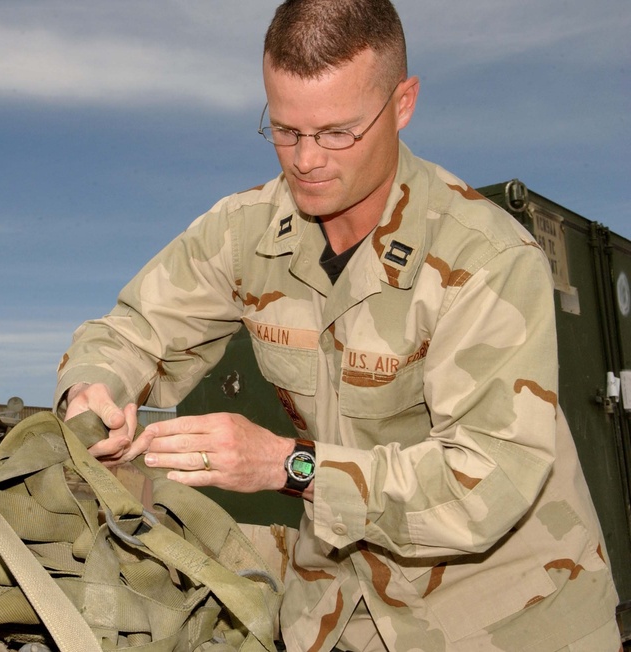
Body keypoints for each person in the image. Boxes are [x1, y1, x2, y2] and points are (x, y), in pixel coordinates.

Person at [54, 0, 622, 649]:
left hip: (506, 616)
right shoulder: (246, 232)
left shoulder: (482, 258)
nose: (306, 160)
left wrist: (288, 467)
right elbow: (135, 330)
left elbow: (485, 485)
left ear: (402, 104)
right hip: (337, 609)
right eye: (286, 130)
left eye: (337, 133)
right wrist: (99, 389)